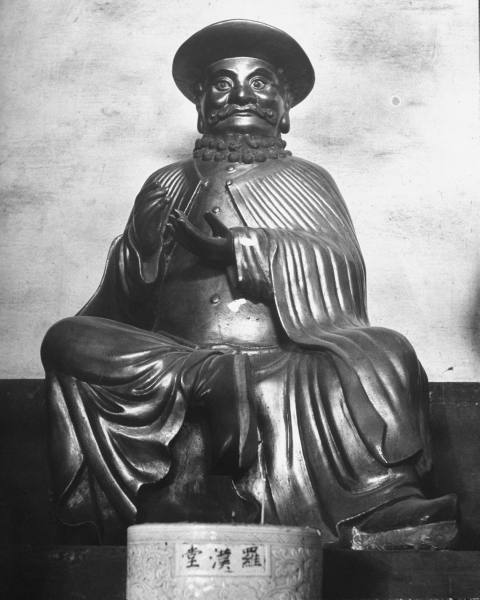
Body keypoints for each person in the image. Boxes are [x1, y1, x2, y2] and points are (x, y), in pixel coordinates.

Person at [41, 19, 457, 548]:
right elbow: (122, 308)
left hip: (281, 355)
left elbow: (344, 272)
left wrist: (246, 248)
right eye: (222, 82)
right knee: (65, 338)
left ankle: (379, 504)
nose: (240, 94)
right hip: (174, 357)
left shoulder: (307, 178)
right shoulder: (166, 182)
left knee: (389, 351)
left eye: (259, 82)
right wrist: (142, 249)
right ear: (201, 104)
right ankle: (209, 378)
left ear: (283, 107)